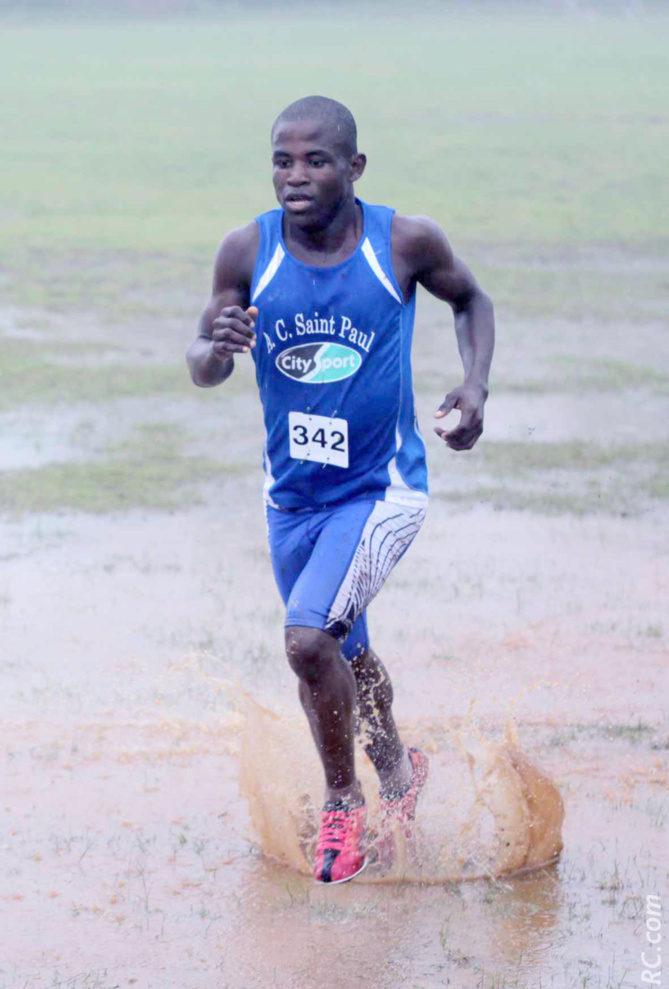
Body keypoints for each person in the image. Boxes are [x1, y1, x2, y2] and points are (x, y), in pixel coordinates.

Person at [186, 95, 494, 884]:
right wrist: (215, 349)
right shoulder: (246, 250)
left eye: (316, 160)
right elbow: (205, 363)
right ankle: (399, 771)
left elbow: (470, 299)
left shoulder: (404, 242)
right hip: (292, 499)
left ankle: (340, 804)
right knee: (343, 647)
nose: (296, 175)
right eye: (282, 160)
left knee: (305, 639)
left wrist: (473, 386)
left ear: (354, 168)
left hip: (380, 488)